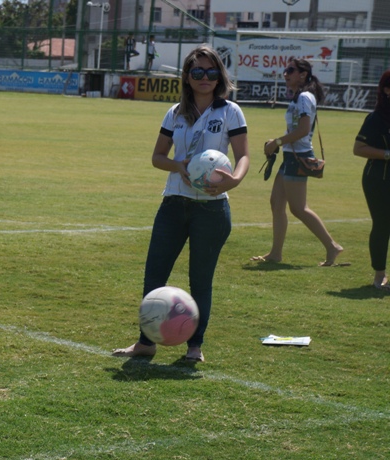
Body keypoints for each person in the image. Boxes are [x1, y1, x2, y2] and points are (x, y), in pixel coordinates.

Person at [112, 45, 249, 363]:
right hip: (174, 204)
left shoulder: (230, 111)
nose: (205, 77)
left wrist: (235, 180)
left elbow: (242, 156)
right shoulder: (174, 113)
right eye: (197, 72)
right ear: (187, 77)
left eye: (211, 72)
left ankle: (194, 348)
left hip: (212, 210)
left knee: (200, 280)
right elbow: (157, 157)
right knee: (153, 277)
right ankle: (145, 342)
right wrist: (180, 165)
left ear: (219, 77)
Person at [250, 57, 344, 266]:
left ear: (303, 75)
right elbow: (297, 130)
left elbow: (302, 130)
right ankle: (275, 253)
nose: (286, 74)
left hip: (298, 156)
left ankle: (332, 246)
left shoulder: (304, 97)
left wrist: (277, 142)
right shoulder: (299, 97)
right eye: (285, 70)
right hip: (290, 156)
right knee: (276, 203)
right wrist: (278, 142)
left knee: (299, 208)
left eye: (290, 70)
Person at [353, 69, 390, 291]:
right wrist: (387, 154)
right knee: (383, 225)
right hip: (378, 178)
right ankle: (379, 276)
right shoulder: (376, 118)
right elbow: (358, 149)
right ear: (387, 90)